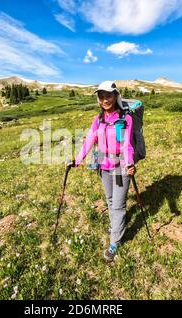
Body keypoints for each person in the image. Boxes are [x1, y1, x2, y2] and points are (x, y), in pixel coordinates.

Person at [67, 81, 136, 262]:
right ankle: (115, 227)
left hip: (121, 167)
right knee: (110, 200)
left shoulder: (125, 119)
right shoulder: (97, 120)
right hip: (103, 165)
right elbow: (89, 140)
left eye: (108, 95)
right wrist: (77, 160)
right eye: (101, 96)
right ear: (98, 99)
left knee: (119, 206)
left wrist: (130, 163)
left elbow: (127, 145)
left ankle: (115, 242)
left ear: (115, 96)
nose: (105, 99)